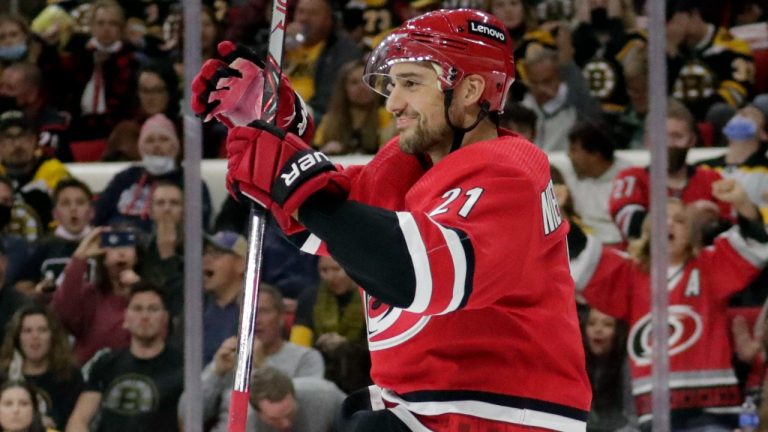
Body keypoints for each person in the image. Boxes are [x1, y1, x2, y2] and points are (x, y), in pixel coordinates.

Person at [196, 8, 591, 430]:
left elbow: (412, 273)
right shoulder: (411, 164)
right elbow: (337, 226)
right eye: (393, 83)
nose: (394, 102)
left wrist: (293, 181)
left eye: (412, 84)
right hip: (429, 411)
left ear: (471, 89)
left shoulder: (509, 172)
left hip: (500, 417)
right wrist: (270, 130)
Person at [572, 181, 768, 429]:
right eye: (661, 218)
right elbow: (580, 252)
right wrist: (552, 206)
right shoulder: (629, 274)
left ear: (690, 234)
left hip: (713, 411)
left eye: (679, 220)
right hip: (653, 410)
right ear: (647, 231)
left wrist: (742, 203)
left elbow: (757, 243)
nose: (669, 224)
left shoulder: (710, 266)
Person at [185, 284, 324, 432]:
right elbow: (186, 416)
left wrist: (261, 366)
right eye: (247, 313)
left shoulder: (306, 358)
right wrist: (216, 372)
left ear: (282, 316)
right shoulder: (230, 358)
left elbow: (304, 413)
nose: (255, 320)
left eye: (263, 312)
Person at [609, 99, 731, 242]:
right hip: (646, 261)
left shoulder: (712, 179)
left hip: (702, 262)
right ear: (648, 141)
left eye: (677, 136)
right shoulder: (631, 178)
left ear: (692, 141)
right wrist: (690, 218)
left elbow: (729, 229)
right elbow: (629, 224)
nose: (668, 144)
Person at [65, 283, 183, 432]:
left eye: (153, 309)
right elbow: (78, 421)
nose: (145, 316)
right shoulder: (106, 363)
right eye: (137, 309)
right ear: (126, 317)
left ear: (165, 318)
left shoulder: (182, 367)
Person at [92, 113, 212, 233]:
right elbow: (97, 216)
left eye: (163, 139)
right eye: (150, 140)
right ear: (141, 147)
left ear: (175, 146)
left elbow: (200, 228)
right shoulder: (125, 177)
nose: (156, 146)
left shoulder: (192, 182)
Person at [51, 226, 140, 364]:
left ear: (136, 257)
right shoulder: (91, 295)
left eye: (127, 246)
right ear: (103, 259)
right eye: (114, 247)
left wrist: (138, 291)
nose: (121, 253)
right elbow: (63, 313)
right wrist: (80, 257)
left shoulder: (149, 292)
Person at [290, 256, 371, 393]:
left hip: (362, 373)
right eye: (324, 270)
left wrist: (345, 344)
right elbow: (298, 345)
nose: (330, 276)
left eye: (336, 269)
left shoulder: (371, 298)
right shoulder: (309, 298)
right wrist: (320, 343)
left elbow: (374, 347)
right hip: (320, 373)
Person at [0, 306, 83, 429]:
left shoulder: (69, 375)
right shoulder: (3, 374)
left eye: (42, 330)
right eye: (27, 331)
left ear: (52, 336)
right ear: (18, 338)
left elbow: (72, 421)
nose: (35, 337)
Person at [14, 178, 95, 301]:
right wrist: (37, 292)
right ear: (55, 214)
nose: (73, 209)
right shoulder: (41, 247)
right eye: (65, 203)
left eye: (80, 202)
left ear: (91, 212)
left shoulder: (102, 245)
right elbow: (20, 287)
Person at [560, 120, 632, 245]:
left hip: (620, 247)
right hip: (580, 248)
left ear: (595, 154)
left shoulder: (630, 178)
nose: (568, 155)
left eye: (574, 149)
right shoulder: (567, 174)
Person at [0, 110, 69, 237]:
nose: (17, 144)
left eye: (23, 136)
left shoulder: (53, 170)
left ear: (34, 140)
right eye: (9, 138)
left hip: (45, 243)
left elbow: (66, 222)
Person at [581, 307, 637, 432]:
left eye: (607, 324)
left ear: (618, 331)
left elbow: (633, 417)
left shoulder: (628, 366)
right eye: (592, 323)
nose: (598, 329)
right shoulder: (576, 364)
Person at [248, 367, 345, 432]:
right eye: (275, 419)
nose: (286, 424)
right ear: (257, 412)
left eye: (290, 413)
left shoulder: (327, 397)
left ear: (294, 395)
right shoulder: (242, 422)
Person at [201, 230, 246, 364]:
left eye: (216, 254)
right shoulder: (196, 307)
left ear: (241, 264)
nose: (206, 259)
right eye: (205, 253)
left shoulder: (257, 309)